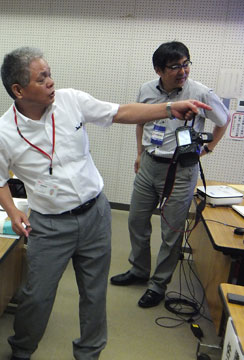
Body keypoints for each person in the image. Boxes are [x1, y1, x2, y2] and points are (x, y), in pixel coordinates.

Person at [0, 46, 210, 360]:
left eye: (50, 73)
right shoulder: (0, 134)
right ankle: (21, 351)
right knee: (37, 296)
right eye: (42, 78)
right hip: (49, 226)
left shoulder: (71, 100)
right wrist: (12, 212)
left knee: (94, 294)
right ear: (19, 90)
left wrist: (170, 108)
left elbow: (121, 113)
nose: (52, 81)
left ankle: (89, 354)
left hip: (96, 214)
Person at [110, 41, 229, 308]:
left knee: (171, 230)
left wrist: (207, 149)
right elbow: (140, 120)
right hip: (150, 163)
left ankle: (158, 284)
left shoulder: (200, 92)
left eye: (186, 64)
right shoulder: (146, 90)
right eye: (175, 66)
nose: (183, 71)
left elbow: (224, 120)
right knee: (136, 220)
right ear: (159, 70)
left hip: (181, 170)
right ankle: (139, 270)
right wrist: (140, 152)